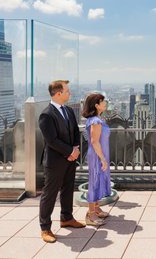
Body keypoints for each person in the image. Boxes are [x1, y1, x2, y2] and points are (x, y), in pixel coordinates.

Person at [38, 80, 85, 243]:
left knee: (67, 189)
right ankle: (45, 228)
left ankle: (66, 218)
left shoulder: (69, 111)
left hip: (70, 159)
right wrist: (70, 152)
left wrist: (76, 149)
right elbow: (51, 140)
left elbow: (75, 132)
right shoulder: (46, 114)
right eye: (67, 91)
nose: (69, 93)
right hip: (55, 161)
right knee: (49, 194)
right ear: (58, 93)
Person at [82, 93, 111, 226]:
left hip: (99, 154)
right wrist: (103, 159)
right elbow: (94, 141)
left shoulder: (97, 119)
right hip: (97, 155)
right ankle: (91, 214)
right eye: (103, 102)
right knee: (94, 181)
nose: (105, 103)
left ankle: (96, 208)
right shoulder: (95, 121)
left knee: (98, 180)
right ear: (97, 105)